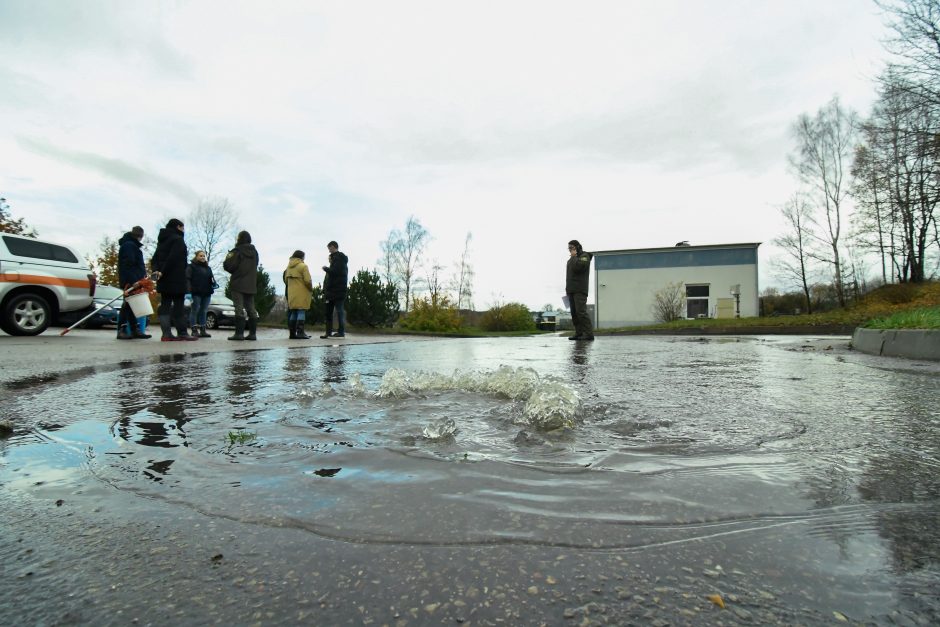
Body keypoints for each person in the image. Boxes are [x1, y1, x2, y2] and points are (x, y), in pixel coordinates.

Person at [151, 218, 197, 341]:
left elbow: (154, 258)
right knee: (178, 306)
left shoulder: (162, 241)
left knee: (165, 304)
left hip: (163, 278)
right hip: (176, 278)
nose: (184, 230)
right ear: (178, 227)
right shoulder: (178, 240)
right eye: (182, 227)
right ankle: (182, 332)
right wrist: (164, 270)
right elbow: (174, 258)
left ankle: (166, 334)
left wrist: (157, 270)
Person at [223, 230, 259, 341]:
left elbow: (229, 266)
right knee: (251, 308)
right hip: (250, 284)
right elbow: (256, 264)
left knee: (238, 308)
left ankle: (239, 334)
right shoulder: (255, 252)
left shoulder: (237, 251)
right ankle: (252, 334)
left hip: (238, 283)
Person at [116, 225, 151, 339]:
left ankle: (134, 328)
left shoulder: (131, 246)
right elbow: (128, 264)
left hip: (136, 279)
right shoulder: (129, 246)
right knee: (127, 305)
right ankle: (122, 329)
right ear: (140, 236)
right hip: (130, 281)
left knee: (133, 305)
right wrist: (133, 281)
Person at [566, 239, 594, 341]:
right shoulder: (571, 260)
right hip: (571, 290)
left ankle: (589, 334)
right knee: (574, 313)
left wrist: (574, 257)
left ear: (577, 247)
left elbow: (579, 268)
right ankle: (579, 333)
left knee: (581, 312)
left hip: (580, 290)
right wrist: (567, 290)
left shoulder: (584, 257)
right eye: (569, 248)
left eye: (572, 248)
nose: (570, 250)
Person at [320, 240, 348, 339]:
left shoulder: (340, 258)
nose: (329, 251)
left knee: (339, 311)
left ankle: (341, 332)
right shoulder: (335, 261)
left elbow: (336, 272)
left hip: (338, 291)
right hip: (330, 291)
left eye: (329, 248)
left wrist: (326, 268)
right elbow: (329, 277)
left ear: (333, 247)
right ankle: (328, 332)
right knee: (328, 312)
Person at [283, 250, 313, 339]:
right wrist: (311, 289)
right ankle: (300, 333)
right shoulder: (303, 266)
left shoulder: (288, 267)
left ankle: (292, 334)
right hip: (302, 293)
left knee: (293, 312)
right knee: (301, 311)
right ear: (302, 257)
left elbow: (286, 281)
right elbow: (307, 280)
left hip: (291, 293)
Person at [186, 250, 216, 338]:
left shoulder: (208, 268)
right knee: (195, 310)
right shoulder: (191, 267)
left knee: (204, 311)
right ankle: (194, 330)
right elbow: (187, 279)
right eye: (200, 256)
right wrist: (188, 292)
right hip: (196, 292)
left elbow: (211, 279)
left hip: (207, 292)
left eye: (204, 256)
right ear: (196, 257)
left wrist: (213, 284)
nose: (202, 257)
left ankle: (203, 330)